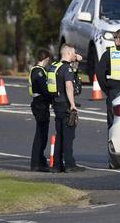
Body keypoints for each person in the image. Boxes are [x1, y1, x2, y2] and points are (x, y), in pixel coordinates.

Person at [47, 43, 84, 173]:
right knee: (68, 136)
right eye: (73, 53)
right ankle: (69, 165)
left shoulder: (55, 67)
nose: (75, 55)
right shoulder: (66, 69)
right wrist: (72, 105)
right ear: (68, 53)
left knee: (60, 136)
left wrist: (77, 61)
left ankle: (57, 165)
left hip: (56, 104)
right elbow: (69, 86)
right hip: (65, 105)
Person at [28, 48, 52, 172]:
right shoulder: (39, 72)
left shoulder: (35, 70)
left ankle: (39, 161)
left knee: (41, 134)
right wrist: (53, 96)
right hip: (40, 104)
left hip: (39, 104)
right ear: (46, 59)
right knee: (41, 135)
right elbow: (45, 89)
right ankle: (37, 163)